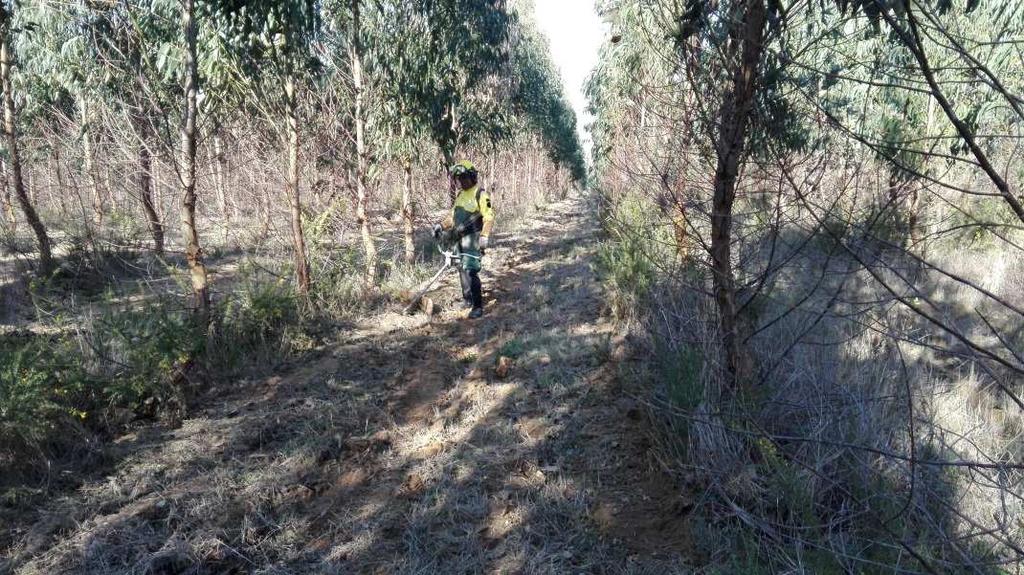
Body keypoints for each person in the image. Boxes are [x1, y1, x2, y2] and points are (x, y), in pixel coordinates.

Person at [432, 160, 494, 319]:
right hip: (458, 238)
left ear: (472, 176)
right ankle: (467, 299)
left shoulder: (480, 194)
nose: (461, 181)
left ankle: (478, 306)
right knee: (460, 267)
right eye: (459, 178)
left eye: (464, 177)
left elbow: (488, 217)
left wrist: (484, 236)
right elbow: (452, 218)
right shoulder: (460, 195)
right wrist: (441, 225)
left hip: (472, 238)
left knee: (471, 270)